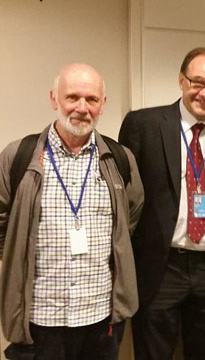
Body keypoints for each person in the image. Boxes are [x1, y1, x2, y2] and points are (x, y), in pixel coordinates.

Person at [0, 63, 144, 359]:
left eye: (91, 99)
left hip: (101, 317)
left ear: (103, 104)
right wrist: (17, 255)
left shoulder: (119, 159)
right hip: (40, 318)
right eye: (72, 97)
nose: (82, 108)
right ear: (54, 99)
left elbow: (131, 216)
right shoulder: (18, 156)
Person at [118, 47, 205, 360]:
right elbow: (124, 201)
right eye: (198, 82)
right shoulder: (143, 124)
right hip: (160, 269)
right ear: (181, 80)